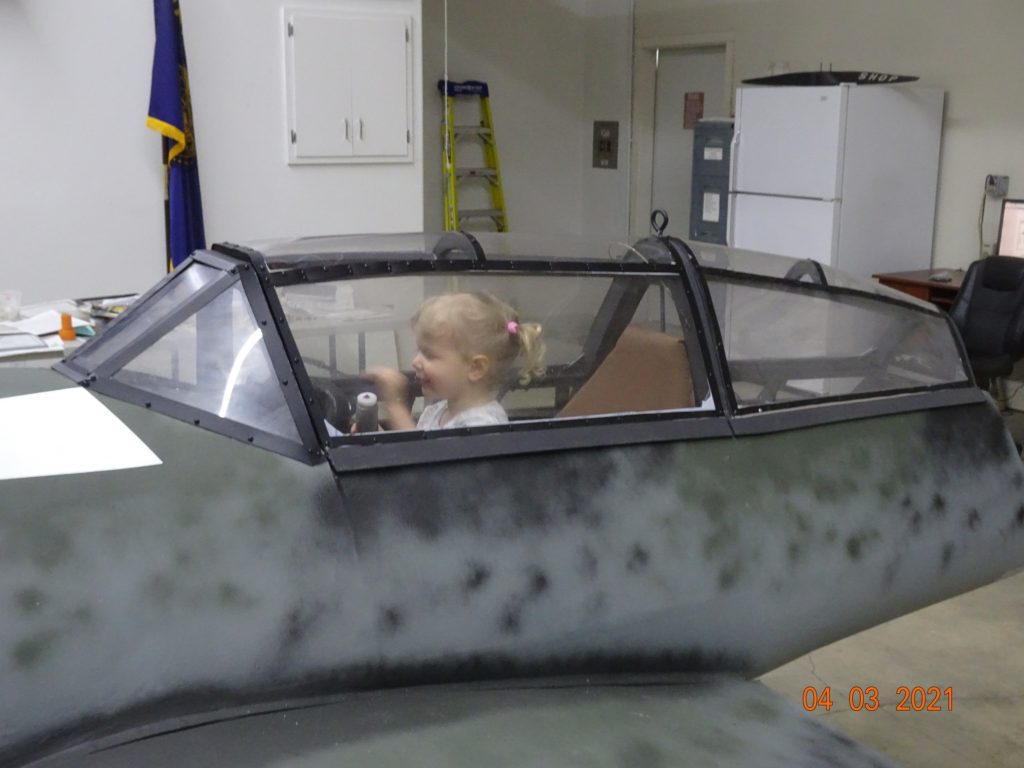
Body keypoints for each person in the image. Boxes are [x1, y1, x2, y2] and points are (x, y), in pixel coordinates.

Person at [365, 292, 544, 431]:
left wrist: (395, 405)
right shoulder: (437, 411)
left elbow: (426, 460)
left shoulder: (483, 426)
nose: (415, 362)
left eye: (429, 354)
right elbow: (412, 452)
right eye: (419, 351)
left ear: (476, 368)